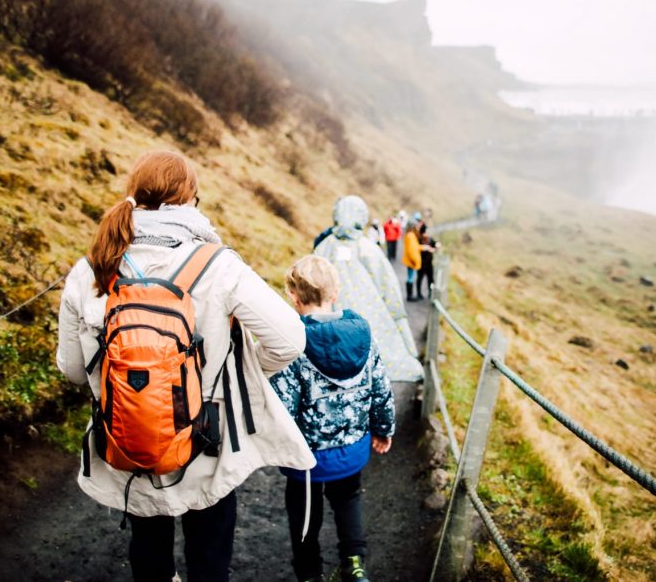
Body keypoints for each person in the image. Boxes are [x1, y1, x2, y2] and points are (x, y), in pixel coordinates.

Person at [56, 151, 315, 582]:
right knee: (210, 553)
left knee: (149, 552)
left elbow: (70, 369)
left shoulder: (91, 269)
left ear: (134, 196)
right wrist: (236, 376)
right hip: (205, 438)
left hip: (127, 435)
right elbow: (289, 340)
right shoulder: (218, 264)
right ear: (190, 200)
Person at [272, 255, 395, 582]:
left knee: (303, 514)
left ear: (293, 298)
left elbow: (282, 406)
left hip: (306, 459)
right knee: (348, 500)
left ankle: (310, 574)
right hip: (351, 449)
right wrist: (383, 429)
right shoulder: (364, 335)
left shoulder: (293, 342)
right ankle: (354, 566)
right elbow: (381, 387)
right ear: (335, 292)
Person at [314, 196, 422, 382]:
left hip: (331, 321)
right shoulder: (369, 249)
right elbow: (389, 287)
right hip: (368, 321)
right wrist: (398, 317)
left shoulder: (324, 247)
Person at [416, 222, 439, 300]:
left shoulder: (429, 239)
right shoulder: (418, 239)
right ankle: (419, 293)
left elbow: (434, 244)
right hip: (421, 262)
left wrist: (436, 245)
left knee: (430, 279)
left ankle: (430, 293)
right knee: (420, 278)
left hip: (429, 263)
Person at [402, 219, 423, 302]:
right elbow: (411, 250)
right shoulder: (411, 235)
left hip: (410, 260)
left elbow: (415, 246)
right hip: (411, 261)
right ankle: (409, 296)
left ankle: (409, 295)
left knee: (410, 277)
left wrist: (423, 247)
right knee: (410, 278)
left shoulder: (409, 235)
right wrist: (415, 261)